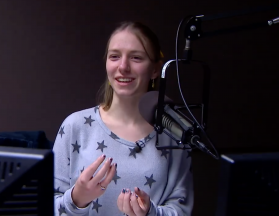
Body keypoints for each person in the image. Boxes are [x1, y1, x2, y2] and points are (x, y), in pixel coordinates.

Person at [53, 21, 194, 216]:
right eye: (114, 56)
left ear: (155, 69)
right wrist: (76, 199)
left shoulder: (174, 133)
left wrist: (150, 214)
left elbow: (181, 210)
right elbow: (44, 205)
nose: (123, 66)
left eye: (136, 57)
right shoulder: (75, 127)